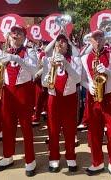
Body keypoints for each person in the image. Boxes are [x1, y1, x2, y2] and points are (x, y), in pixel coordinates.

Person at [80, 30, 111, 178]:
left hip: (110, 98)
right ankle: (97, 162)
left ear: (104, 39)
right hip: (93, 98)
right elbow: (81, 79)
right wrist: (88, 86)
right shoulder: (85, 58)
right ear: (90, 41)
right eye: (95, 38)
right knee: (94, 134)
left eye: (100, 37)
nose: (98, 41)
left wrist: (108, 71)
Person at [0, 25, 38, 177]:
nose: (15, 35)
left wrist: (18, 59)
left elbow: (34, 70)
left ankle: (30, 160)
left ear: (24, 36)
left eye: (19, 33)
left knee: (26, 127)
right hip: (8, 92)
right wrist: (1, 61)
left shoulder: (30, 51)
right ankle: (8, 156)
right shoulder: (3, 51)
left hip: (24, 92)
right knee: (7, 126)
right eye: (13, 33)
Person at [41, 33, 81, 172]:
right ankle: (54, 158)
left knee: (70, 130)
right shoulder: (47, 60)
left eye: (63, 42)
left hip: (69, 98)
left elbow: (77, 79)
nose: (60, 43)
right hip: (53, 98)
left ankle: (70, 157)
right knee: (53, 130)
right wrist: (49, 72)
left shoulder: (75, 60)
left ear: (67, 46)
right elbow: (44, 84)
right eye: (58, 41)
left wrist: (66, 64)